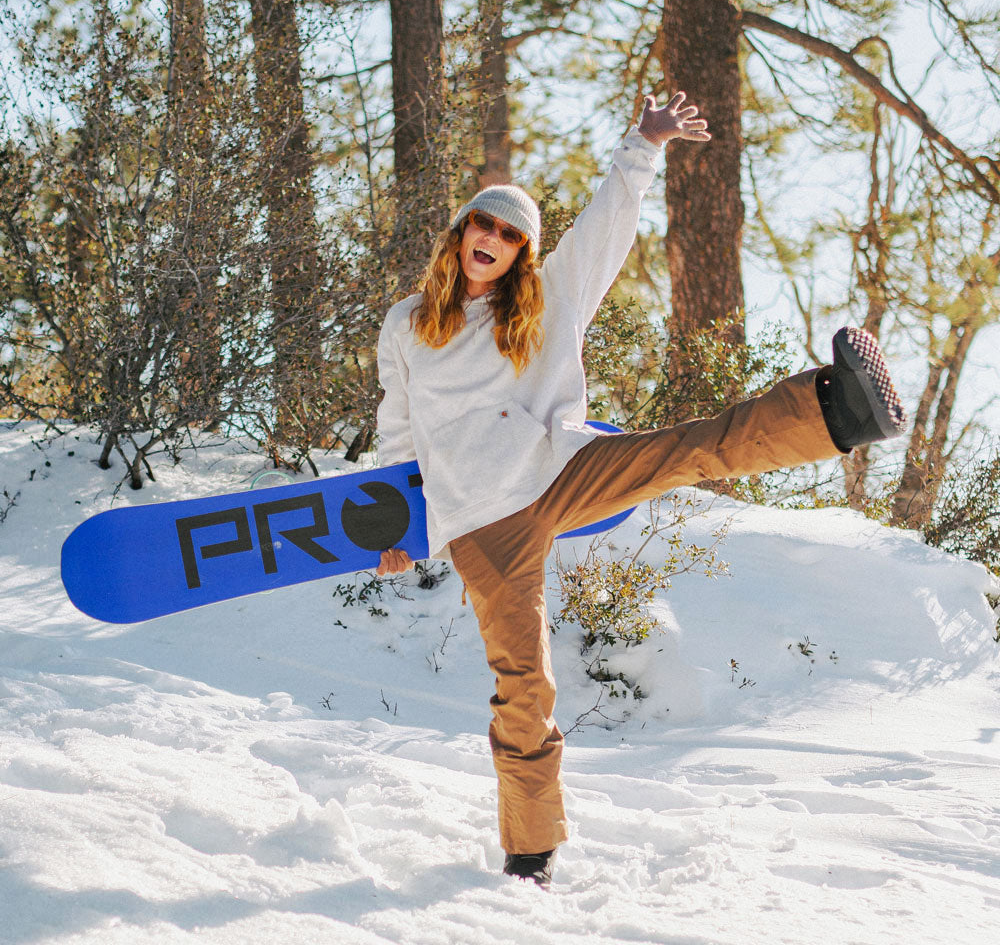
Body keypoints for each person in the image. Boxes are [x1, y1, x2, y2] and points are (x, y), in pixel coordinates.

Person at [373, 92, 906, 887]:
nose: (493, 239)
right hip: (483, 523)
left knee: (691, 450)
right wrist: (398, 535)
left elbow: (602, 234)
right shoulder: (407, 324)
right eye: (483, 225)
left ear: (523, 253)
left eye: (511, 234)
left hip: (559, 470)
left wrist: (644, 144)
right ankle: (530, 855)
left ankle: (839, 409)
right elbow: (398, 434)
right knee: (525, 686)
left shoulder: (544, 305)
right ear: (460, 235)